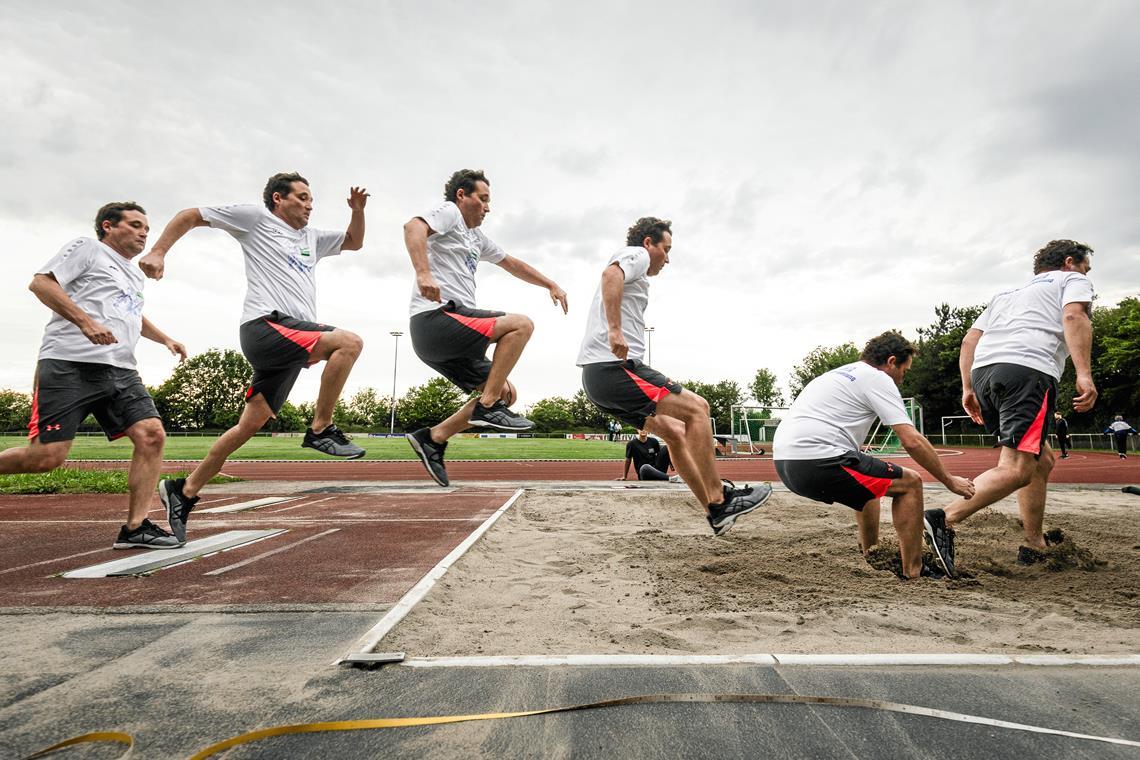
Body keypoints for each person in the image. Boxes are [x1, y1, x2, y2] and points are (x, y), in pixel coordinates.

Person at [139, 173, 369, 542]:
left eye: (312, 199)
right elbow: (190, 214)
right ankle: (321, 429)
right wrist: (158, 250)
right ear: (278, 199)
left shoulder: (312, 237)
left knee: (250, 424)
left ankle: (183, 491)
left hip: (294, 338)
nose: (310, 205)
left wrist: (357, 211)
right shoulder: (255, 219)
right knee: (349, 342)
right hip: (265, 326)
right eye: (303, 197)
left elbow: (355, 242)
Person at [0, 203, 187, 549]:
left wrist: (165, 338)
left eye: (146, 227)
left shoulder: (131, 273)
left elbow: (131, 314)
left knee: (152, 435)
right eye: (135, 225)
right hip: (69, 364)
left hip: (121, 370)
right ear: (108, 226)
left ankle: (136, 527)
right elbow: (41, 283)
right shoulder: (88, 249)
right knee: (46, 458)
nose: (144, 232)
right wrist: (85, 322)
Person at [578, 217, 771, 535]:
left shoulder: (639, 272)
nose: (667, 258)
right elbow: (610, 274)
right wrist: (614, 330)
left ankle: (714, 512)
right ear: (648, 244)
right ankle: (721, 498)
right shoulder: (635, 255)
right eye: (665, 250)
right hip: (614, 369)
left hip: (598, 379)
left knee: (675, 433)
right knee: (698, 408)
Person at [402, 169, 567, 487]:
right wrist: (424, 274)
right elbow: (413, 227)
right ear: (462, 196)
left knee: (506, 392)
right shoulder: (450, 213)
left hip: (453, 334)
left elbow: (510, 263)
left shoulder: (475, 237)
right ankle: (487, 407)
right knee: (520, 326)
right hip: (436, 319)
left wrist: (550, 284)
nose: (488, 208)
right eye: (483, 199)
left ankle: (433, 438)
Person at [939, 240, 1097, 569]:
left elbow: (970, 340)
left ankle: (1034, 543)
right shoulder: (1070, 280)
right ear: (1070, 262)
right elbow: (1074, 315)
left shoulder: (1007, 295)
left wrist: (967, 387)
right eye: (1086, 267)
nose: (1087, 273)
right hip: (1028, 373)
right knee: (1016, 469)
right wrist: (1084, 374)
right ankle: (942, 519)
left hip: (985, 373)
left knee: (1040, 460)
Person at [773, 332, 976, 580]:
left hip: (785, 464)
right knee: (910, 483)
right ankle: (914, 570)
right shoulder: (877, 378)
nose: (903, 377)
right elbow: (911, 440)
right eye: (905, 370)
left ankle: (873, 555)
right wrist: (949, 480)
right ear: (891, 362)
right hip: (818, 461)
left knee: (871, 484)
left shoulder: (837, 375)